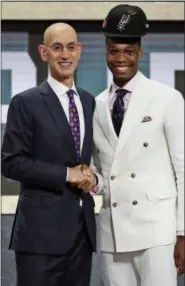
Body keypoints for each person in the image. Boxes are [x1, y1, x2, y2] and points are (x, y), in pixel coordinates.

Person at [91, 4, 185, 286]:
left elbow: (183, 169)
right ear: (106, 52)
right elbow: (103, 171)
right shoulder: (94, 105)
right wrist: (89, 179)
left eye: (128, 52)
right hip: (112, 234)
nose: (121, 59)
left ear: (140, 53)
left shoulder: (167, 98)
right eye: (114, 51)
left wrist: (183, 233)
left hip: (158, 233)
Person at [1, 22, 97, 286]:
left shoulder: (89, 102)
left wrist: (92, 177)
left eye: (70, 47)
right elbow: (10, 163)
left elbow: (88, 160)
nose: (65, 55)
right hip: (40, 237)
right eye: (57, 48)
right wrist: (67, 174)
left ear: (79, 51)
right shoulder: (26, 102)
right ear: (43, 52)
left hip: (82, 235)